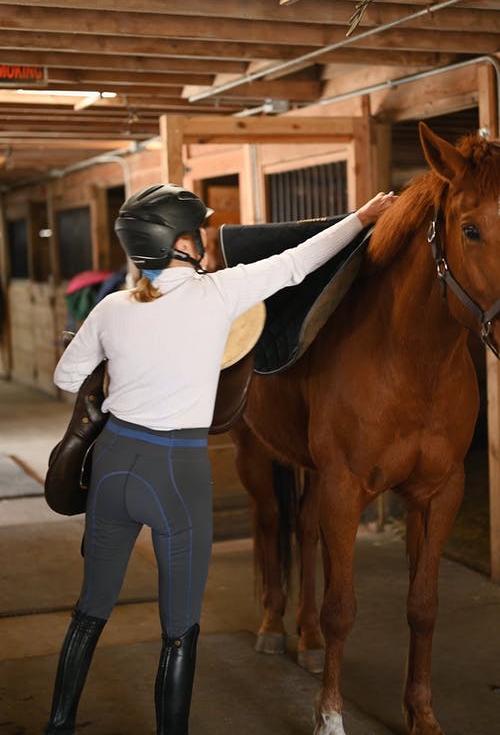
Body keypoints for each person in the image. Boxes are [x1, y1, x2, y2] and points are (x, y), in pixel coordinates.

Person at [45, 182, 396, 735]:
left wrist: (120, 369)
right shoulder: (220, 293)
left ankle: (58, 724)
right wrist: (363, 216)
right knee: (179, 628)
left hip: (113, 462)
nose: (205, 239)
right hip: (175, 473)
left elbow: (67, 376)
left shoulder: (112, 306)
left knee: (90, 611)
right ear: (179, 243)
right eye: (197, 230)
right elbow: (296, 264)